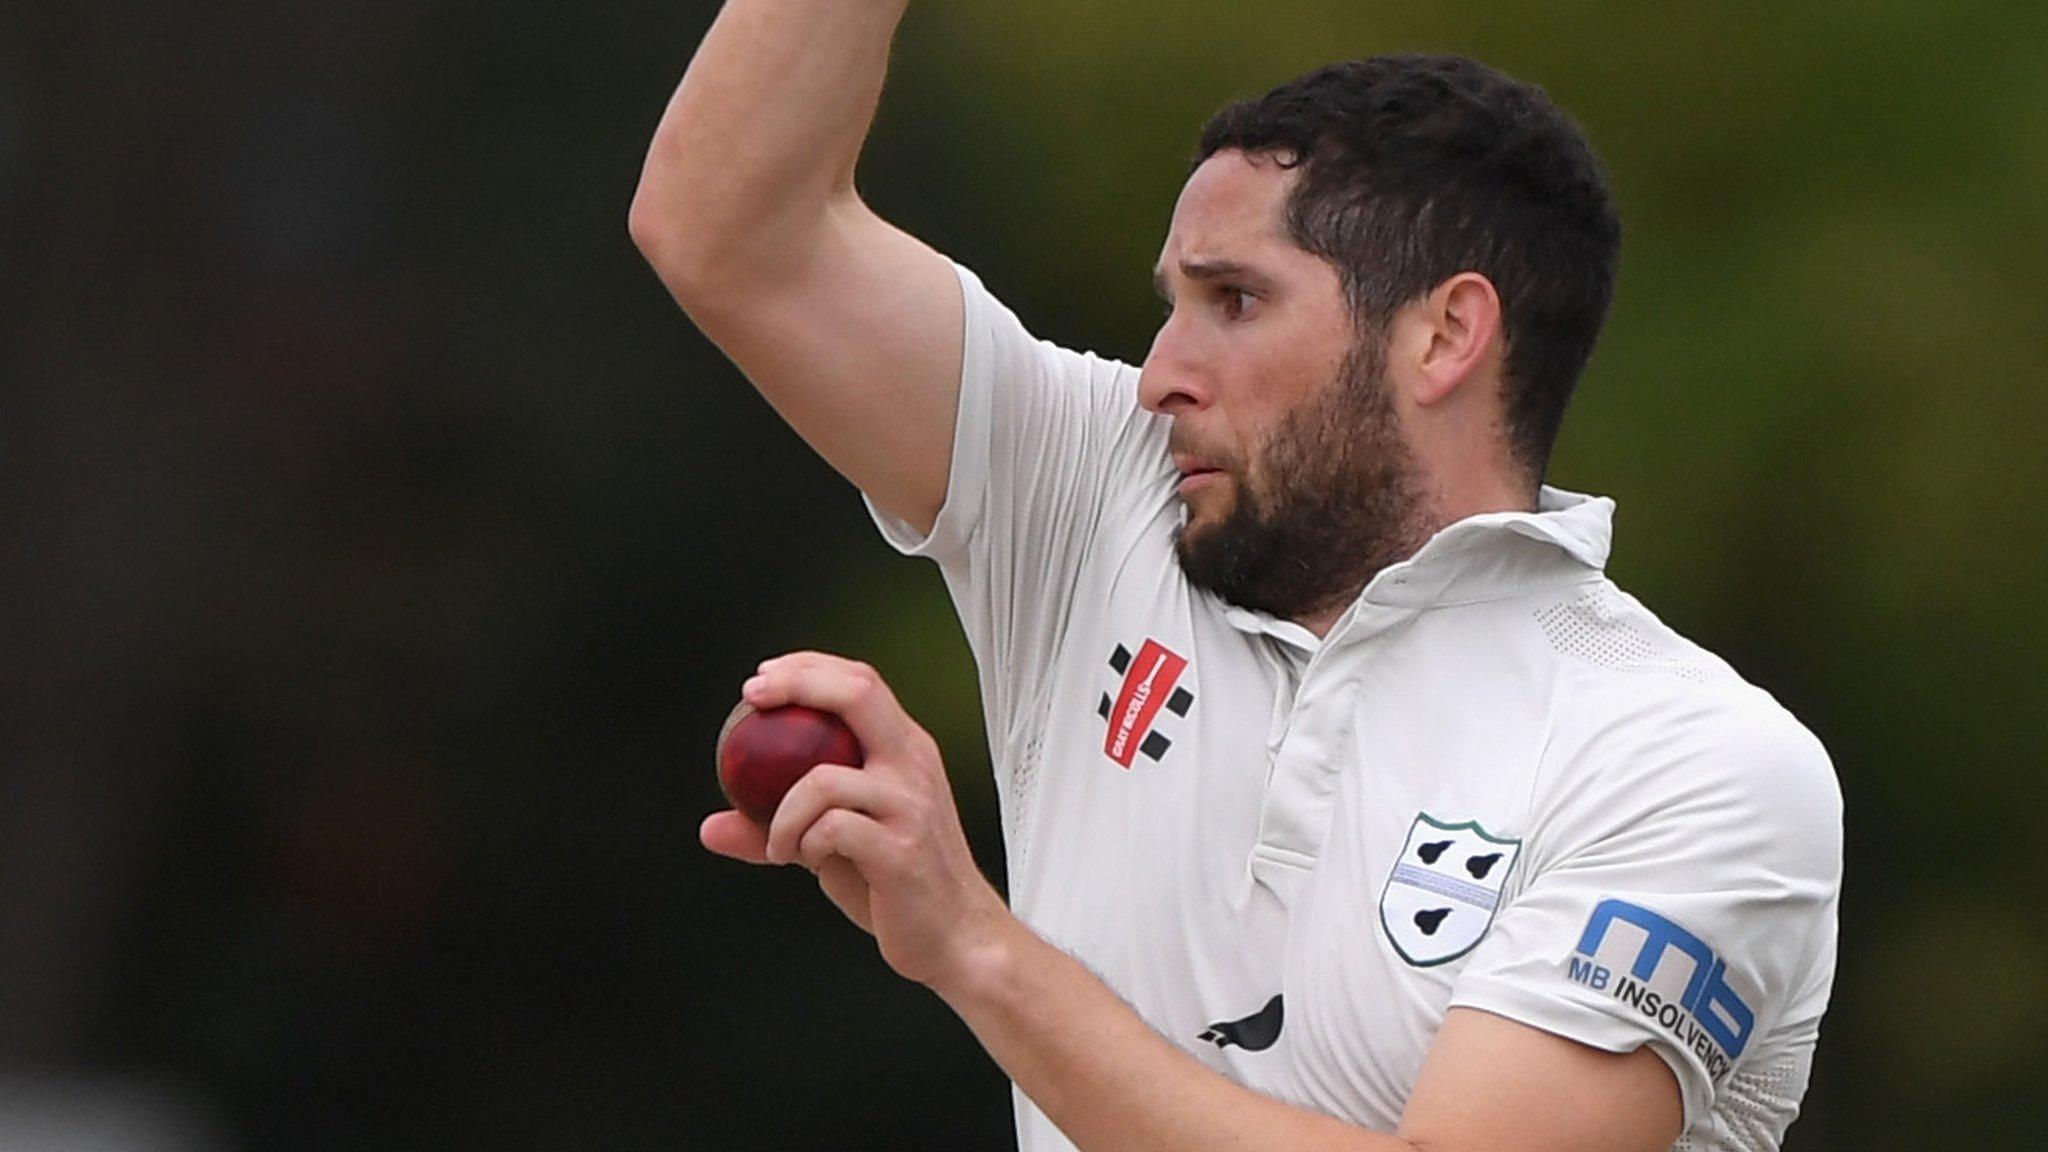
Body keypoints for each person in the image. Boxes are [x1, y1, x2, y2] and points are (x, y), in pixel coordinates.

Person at [629, 4, 1842, 1151]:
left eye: (1234, 301)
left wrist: (974, 945)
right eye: (1174, 305)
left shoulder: (1691, 760)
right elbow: (730, 227)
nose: (1160, 372)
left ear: (1443, 337)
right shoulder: (1101, 490)